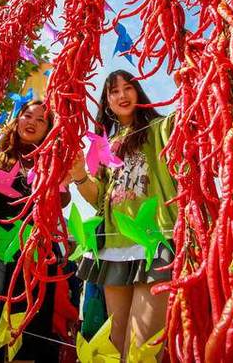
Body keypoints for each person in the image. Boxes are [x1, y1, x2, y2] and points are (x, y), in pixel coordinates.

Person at [69, 69, 177, 359]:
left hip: (155, 242)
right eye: (113, 91)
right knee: (114, 342)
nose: (121, 95)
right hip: (115, 248)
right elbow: (99, 200)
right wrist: (80, 176)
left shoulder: (159, 127)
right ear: (106, 101)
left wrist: (187, 86)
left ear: (138, 92)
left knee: (143, 344)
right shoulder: (104, 146)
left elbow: (189, 121)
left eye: (127, 88)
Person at [0, 100, 73, 363]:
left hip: (38, 257)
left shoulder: (51, 161)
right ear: (17, 120)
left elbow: (63, 201)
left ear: (48, 128)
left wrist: (61, 179)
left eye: (41, 120)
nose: (31, 122)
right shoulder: (1, 155)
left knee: (30, 332)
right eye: (27, 115)